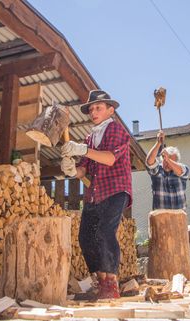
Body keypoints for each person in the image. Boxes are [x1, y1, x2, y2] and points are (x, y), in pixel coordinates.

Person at [60, 89, 132, 299]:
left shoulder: (117, 130)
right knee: (85, 237)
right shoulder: (90, 138)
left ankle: (111, 282)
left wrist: (82, 150)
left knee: (104, 232)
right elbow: (84, 169)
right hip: (94, 193)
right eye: (91, 109)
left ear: (110, 110)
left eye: (98, 108)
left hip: (116, 190)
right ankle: (100, 281)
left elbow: (109, 159)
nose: (93, 112)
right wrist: (72, 169)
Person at [146, 130, 190, 210]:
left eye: (171, 161)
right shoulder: (157, 171)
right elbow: (149, 162)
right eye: (165, 160)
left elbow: (181, 171)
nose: (167, 164)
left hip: (179, 216)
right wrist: (158, 143)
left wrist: (168, 159)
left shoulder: (182, 169)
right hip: (160, 217)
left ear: (176, 162)